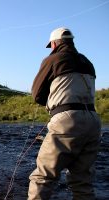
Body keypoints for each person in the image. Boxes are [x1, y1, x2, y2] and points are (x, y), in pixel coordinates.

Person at [28, 27, 101, 200]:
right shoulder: (87, 62)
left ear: (54, 43)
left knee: (43, 177)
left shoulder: (53, 59)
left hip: (67, 121)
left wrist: (49, 100)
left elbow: (37, 94)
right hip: (93, 121)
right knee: (82, 180)